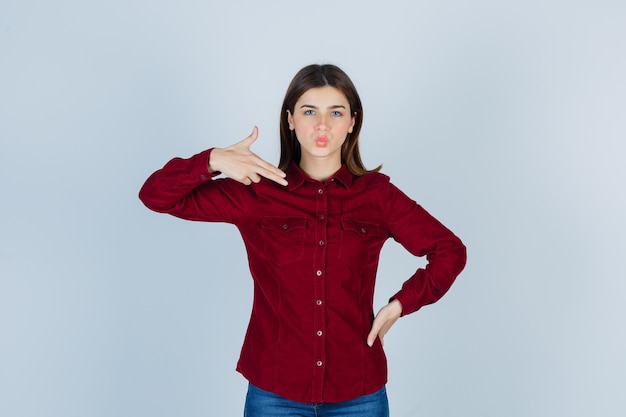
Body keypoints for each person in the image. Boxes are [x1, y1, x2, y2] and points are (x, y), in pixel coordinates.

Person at [139, 64, 466, 417]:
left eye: (335, 112)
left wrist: (399, 305)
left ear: (352, 122)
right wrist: (213, 159)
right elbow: (156, 196)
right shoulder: (256, 192)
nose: (322, 124)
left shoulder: (377, 197)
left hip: (359, 394)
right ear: (291, 120)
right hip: (274, 393)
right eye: (309, 111)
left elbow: (449, 251)